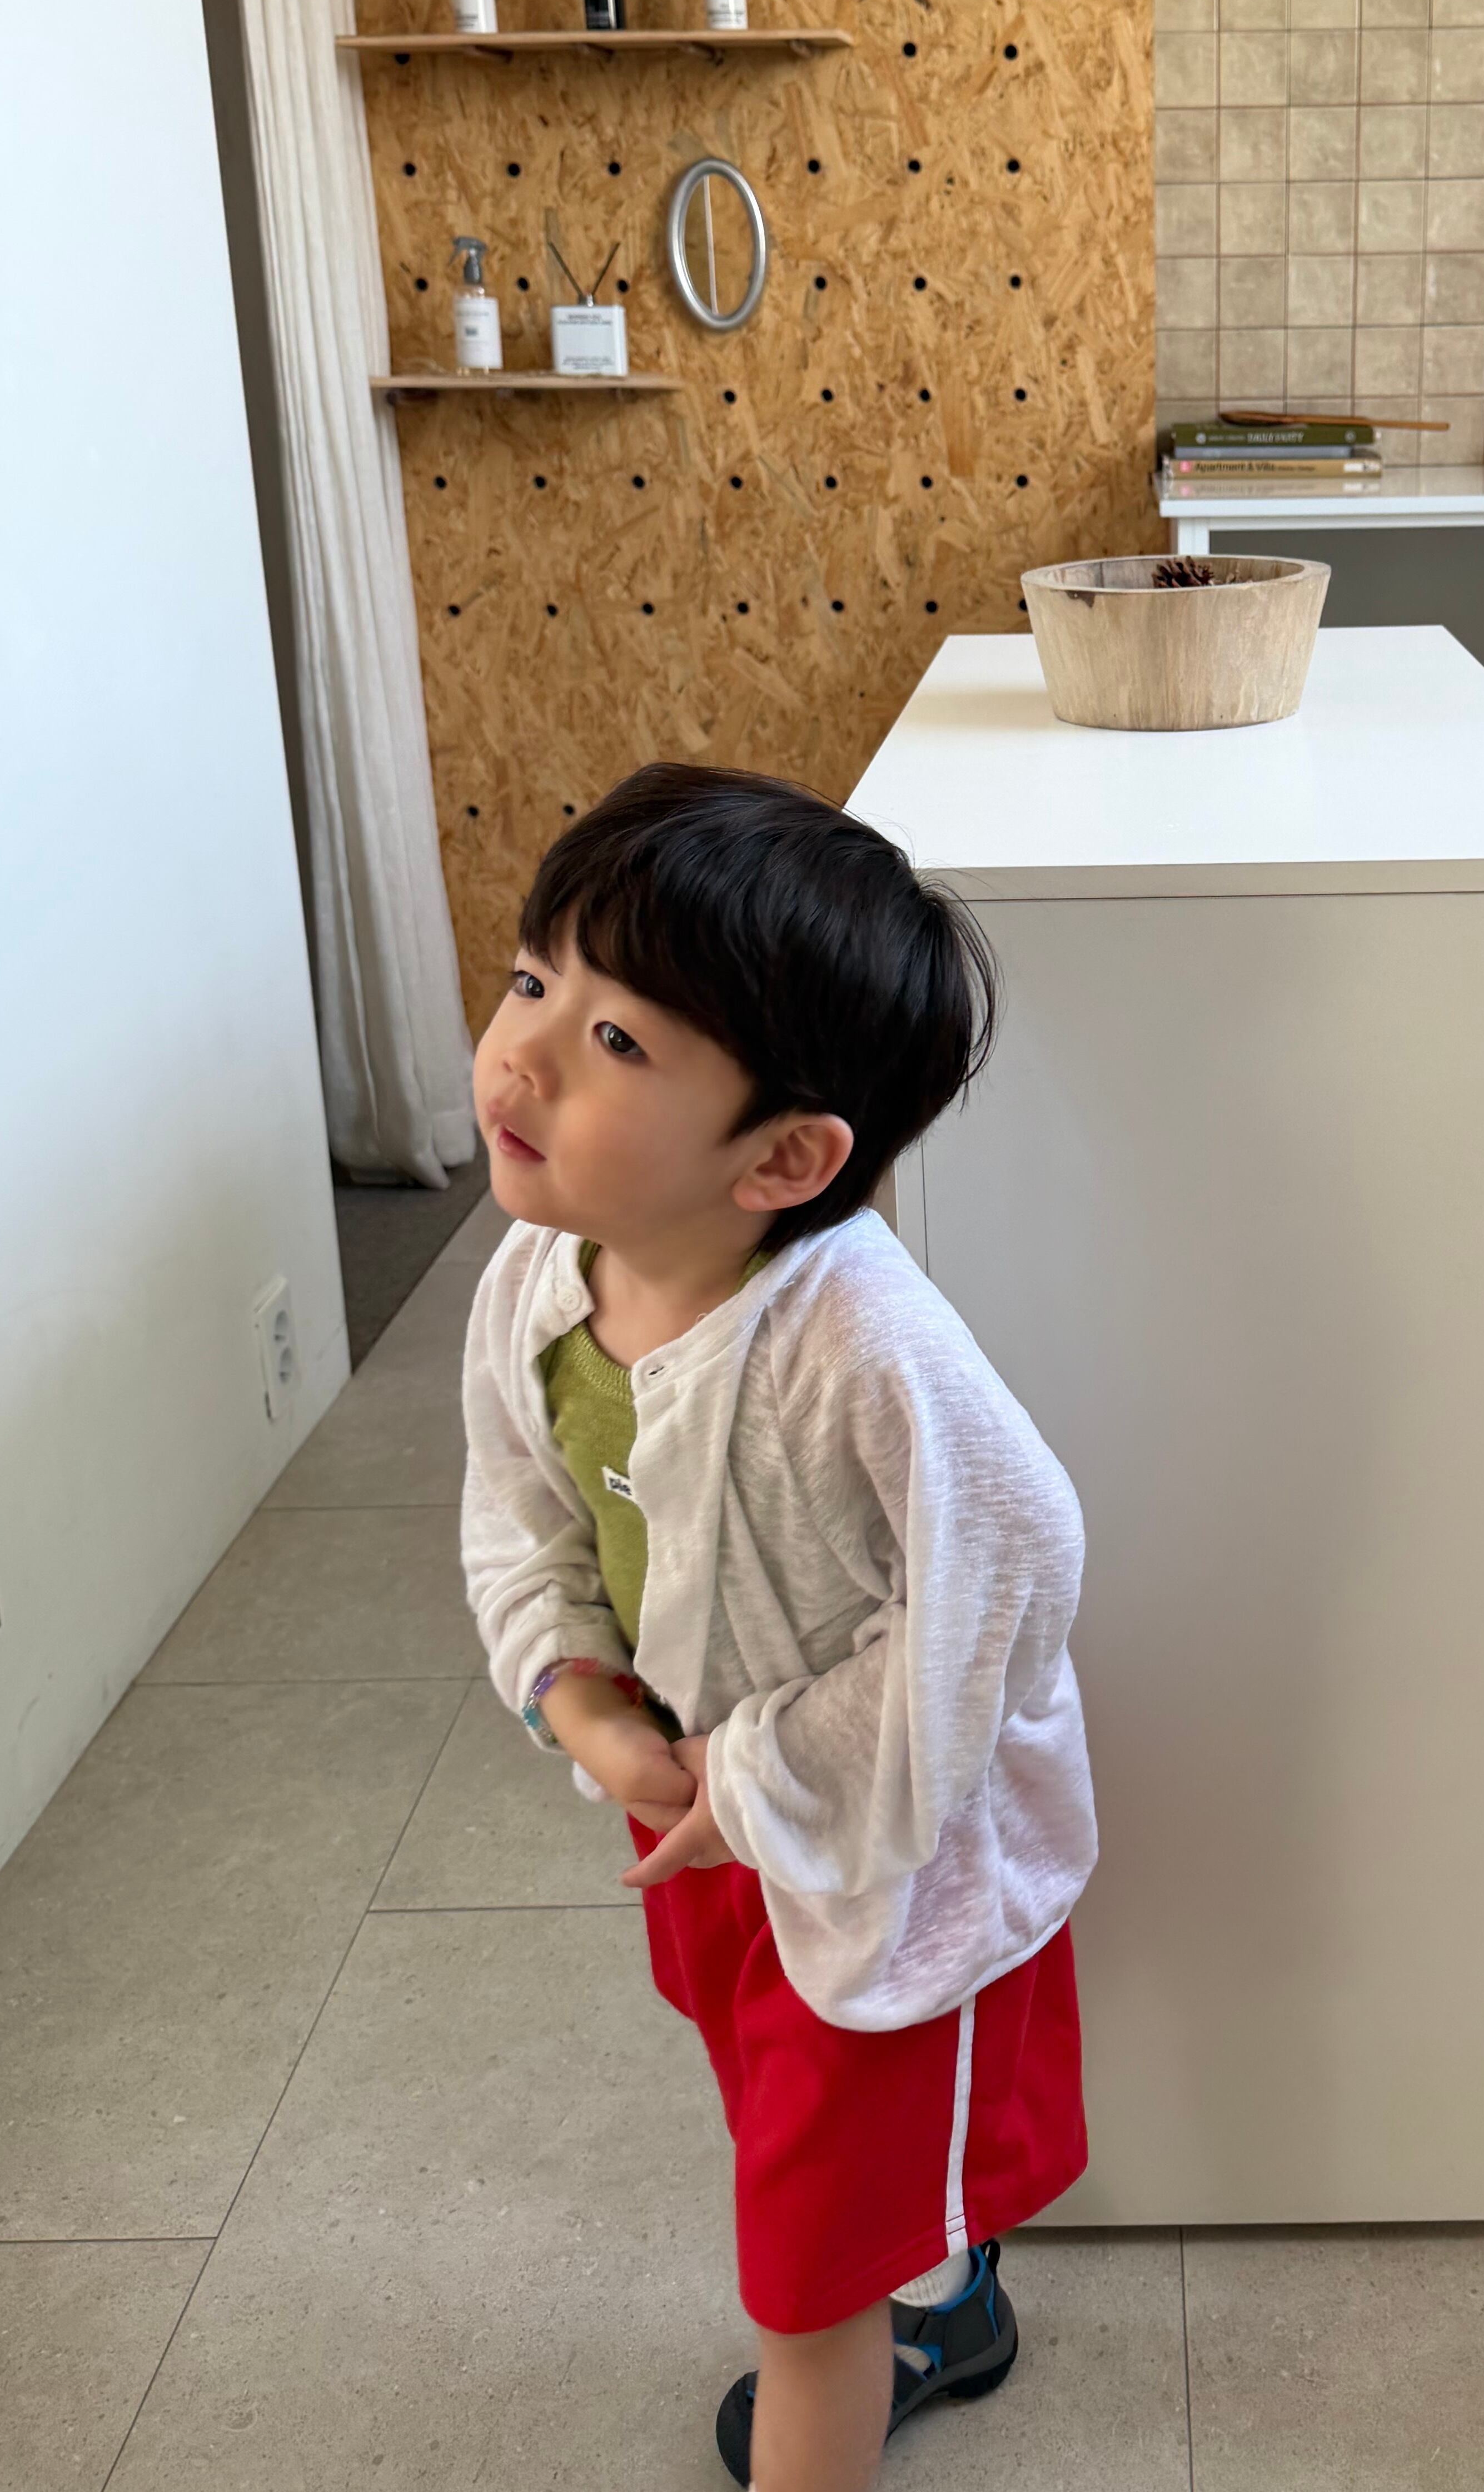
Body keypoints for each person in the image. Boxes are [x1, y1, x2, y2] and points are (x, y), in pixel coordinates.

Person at [460, 764, 1094, 2491]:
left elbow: (1015, 1567)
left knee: (804, 2284)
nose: (521, 1055)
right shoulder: (541, 1274)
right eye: (532, 980)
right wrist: (577, 1701)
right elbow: (522, 1515)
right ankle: (949, 2299)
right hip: (703, 1821)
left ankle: (883, 2347)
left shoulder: (859, 1346)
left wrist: (755, 1776)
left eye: (615, 1039)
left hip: (879, 1845)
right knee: (773, 2105)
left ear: (787, 1156)